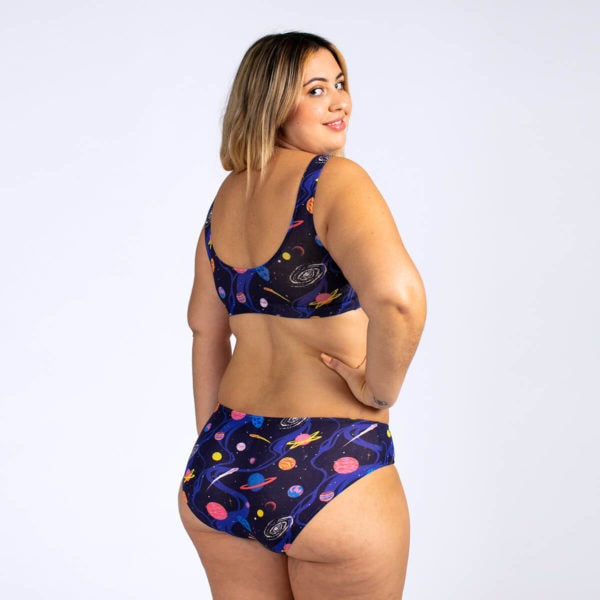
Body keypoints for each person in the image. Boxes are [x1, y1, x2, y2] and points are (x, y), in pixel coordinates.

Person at [178, 31, 426, 600]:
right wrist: (378, 389)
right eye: (316, 90)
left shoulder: (227, 197)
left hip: (225, 461)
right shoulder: (333, 180)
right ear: (270, 103)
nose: (340, 101)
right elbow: (400, 299)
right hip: (331, 460)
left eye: (339, 83)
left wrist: (217, 452)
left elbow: (204, 329)